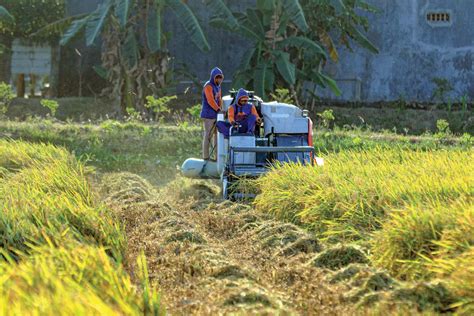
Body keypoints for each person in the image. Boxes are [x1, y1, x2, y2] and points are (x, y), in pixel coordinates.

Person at [200, 67, 224, 161]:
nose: (219, 79)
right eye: (217, 77)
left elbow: (219, 99)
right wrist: (218, 109)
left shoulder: (218, 86)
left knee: (217, 136)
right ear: (213, 77)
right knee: (208, 135)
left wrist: (221, 109)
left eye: (220, 77)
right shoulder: (208, 86)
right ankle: (205, 157)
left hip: (216, 114)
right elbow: (210, 100)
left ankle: (216, 157)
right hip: (208, 115)